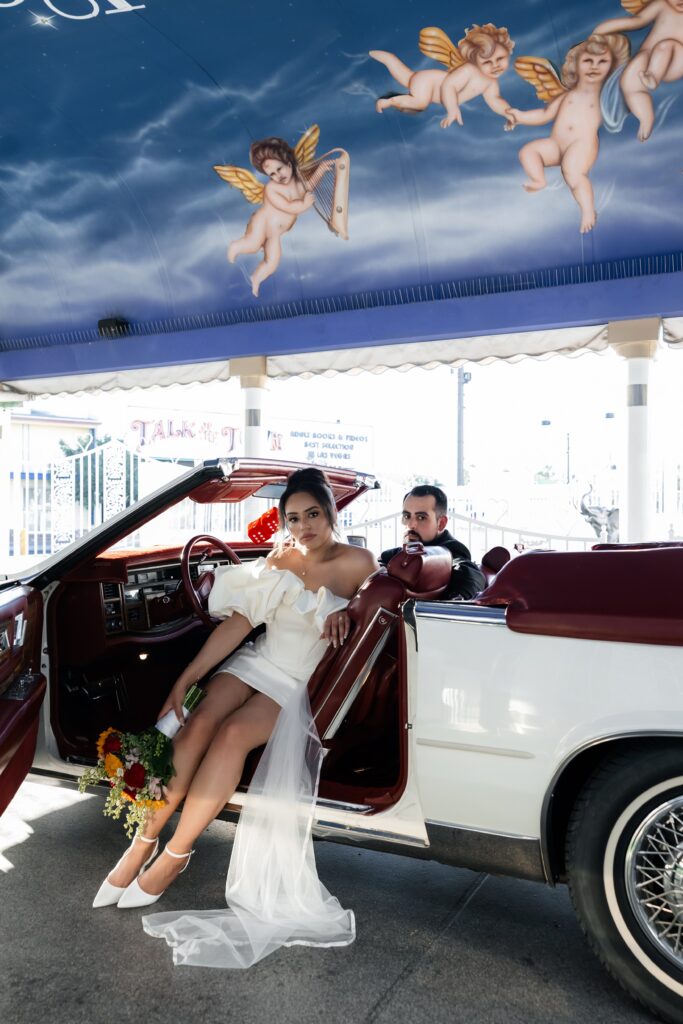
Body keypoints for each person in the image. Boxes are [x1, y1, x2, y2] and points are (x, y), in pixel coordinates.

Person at [92, 467, 378, 968]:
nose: (304, 526)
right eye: (293, 517)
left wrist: (346, 615)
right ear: (282, 520)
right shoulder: (282, 556)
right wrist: (187, 677)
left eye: (313, 514)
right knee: (196, 720)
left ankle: (176, 856)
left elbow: (371, 614)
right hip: (257, 661)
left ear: (331, 512)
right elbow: (244, 623)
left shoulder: (359, 562)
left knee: (230, 736)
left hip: (300, 680)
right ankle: (142, 842)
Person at [504, 33, 629, 233]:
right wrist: (520, 117)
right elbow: (545, 114)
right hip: (556, 144)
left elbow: (625, 92)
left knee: (572, 172)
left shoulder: (604, 96)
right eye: (588, 61)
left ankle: (588, 210)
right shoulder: (566, 95)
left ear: (611, 67)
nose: (595, 66)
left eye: (602, 61)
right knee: (528, 151)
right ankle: (539, 179)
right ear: (575, 66)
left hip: (582, 144)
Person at [370, 23, 515, 128]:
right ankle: (387, 101)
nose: (495, 65)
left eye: (500, 59)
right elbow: (448, 85)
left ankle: (388, 60)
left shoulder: (490, 82)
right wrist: (452, 110)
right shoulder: (469, 70)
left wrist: (509, 114)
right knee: (420, 103)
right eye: (487, 62)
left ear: (508, 54)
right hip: (428, 81)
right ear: (474, 60)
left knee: (416, 98)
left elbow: (495, 100)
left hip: (426, 85)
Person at [594, 0, 683, 142]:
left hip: (677, 60)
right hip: (648, 58)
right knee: (629, 81)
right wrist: (603, 29)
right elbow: (636, 21)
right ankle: (646, 117)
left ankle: (653, 77)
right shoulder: (661, 5)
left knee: (666, 46)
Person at [380, 485, 484, 600]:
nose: (410, 524)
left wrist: (454, 602)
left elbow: (471, 575)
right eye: (407, 516)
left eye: (421, 518)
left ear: (441, 523)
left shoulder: (452, 551)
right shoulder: (396, 554)